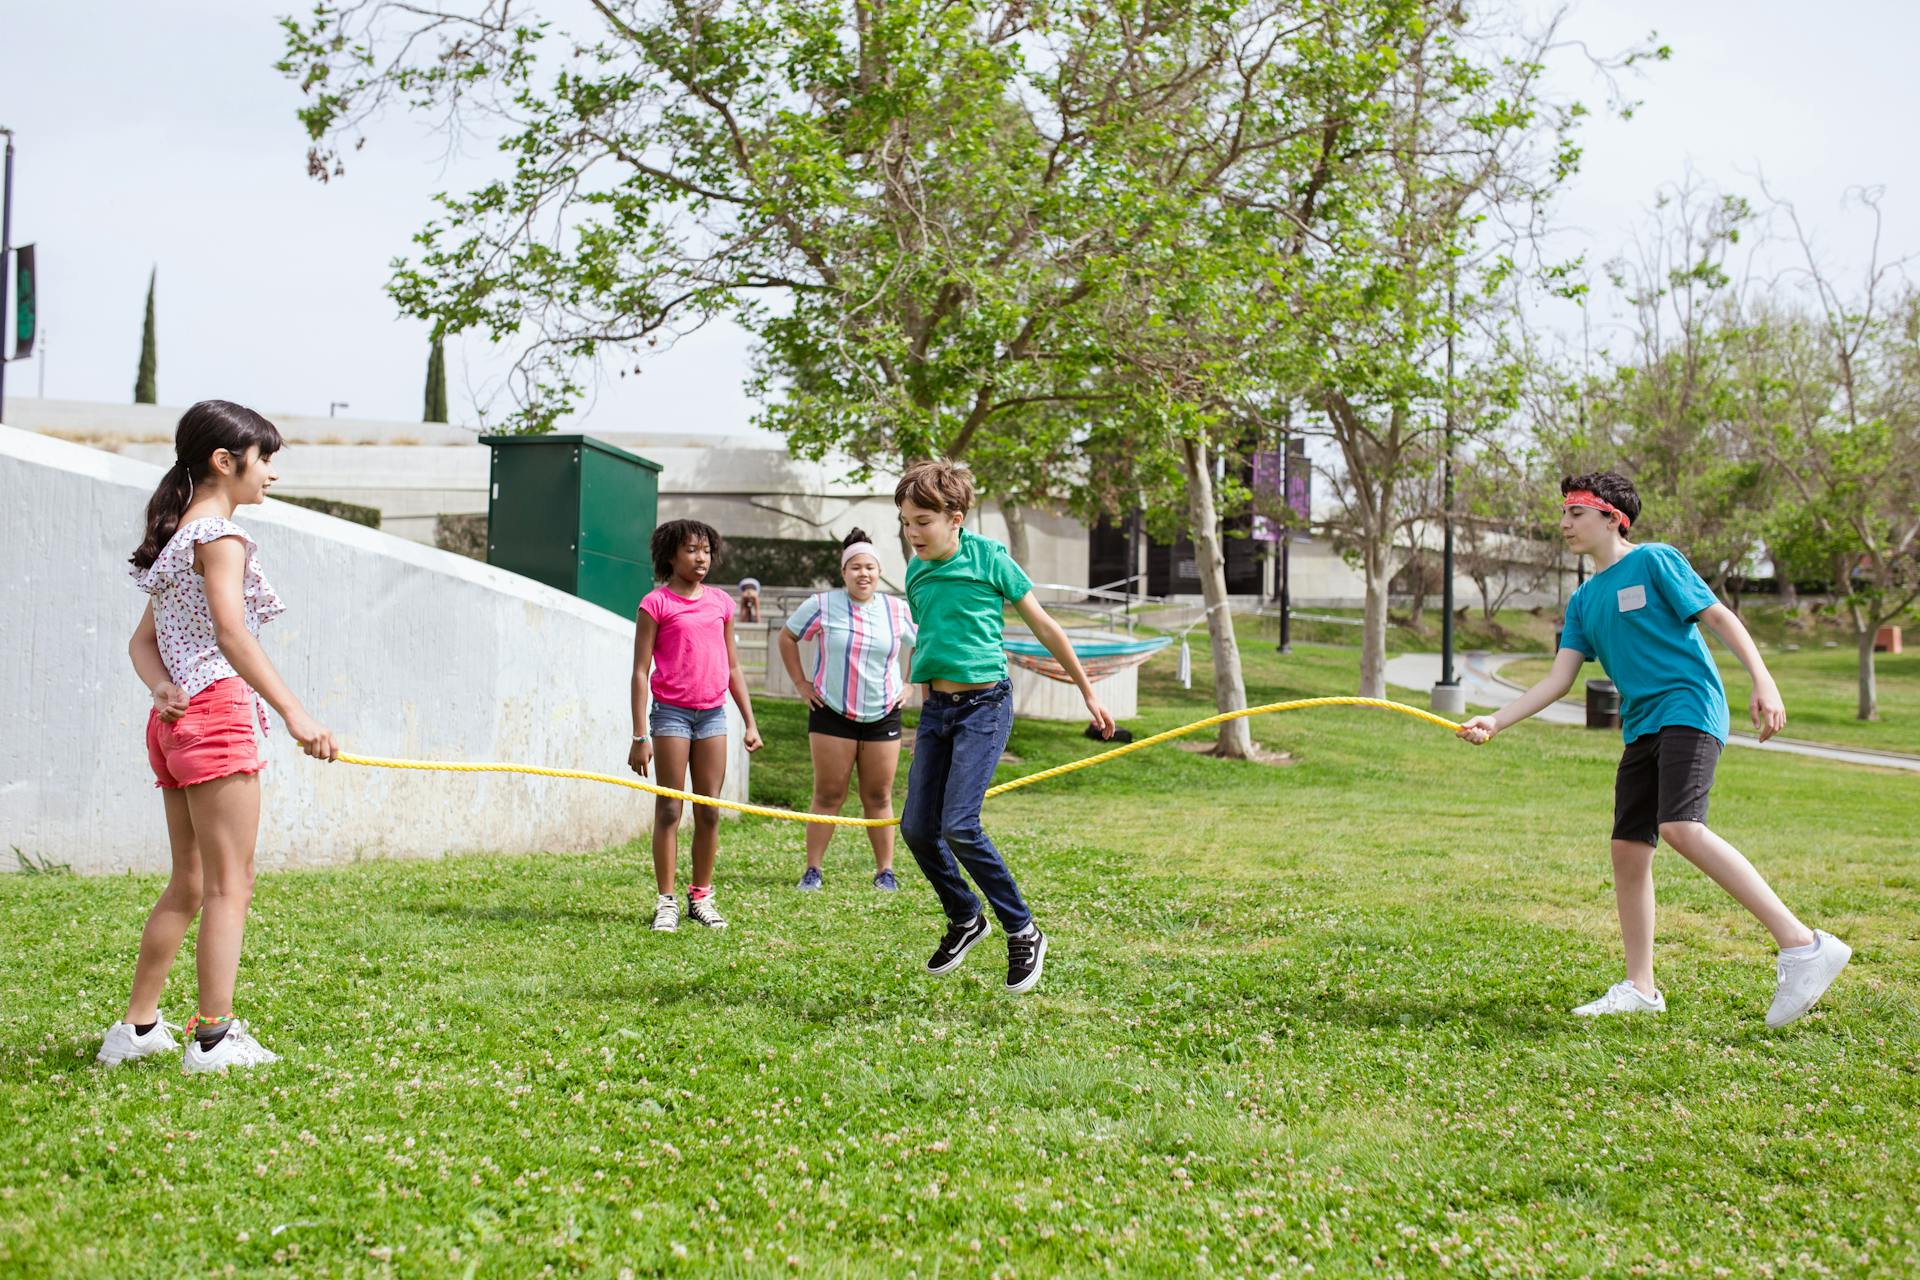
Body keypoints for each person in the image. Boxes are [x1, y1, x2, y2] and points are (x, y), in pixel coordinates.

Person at [1458, 472, 1851, 1027]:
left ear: (1612, 518)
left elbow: (1718, 616)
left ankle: (1803, 944)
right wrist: (1495, 720)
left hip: (1689, 706)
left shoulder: (1657, 560)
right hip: (1641, 725)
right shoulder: (1584, 601)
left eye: (1576, 513)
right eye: (1564, 514)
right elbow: (1558, 681)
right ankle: (1641, 987)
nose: (1564, 524)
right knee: (1627, 848)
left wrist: (1764, 681)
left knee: (1681, 827)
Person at [99, 400, 338, 1074]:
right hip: (217, 715)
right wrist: (296, 714)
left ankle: (138, 1028)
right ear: (224, 461)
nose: (273, 475)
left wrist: (161, 688)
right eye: (266, 460)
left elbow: (142, 645)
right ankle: (212, 1037)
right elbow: (231, 633)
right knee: (231, 885)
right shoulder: (221, 539)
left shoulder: (180, 536)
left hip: (175, 723)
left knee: (191, 882)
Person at [894, 461, 1116, 994]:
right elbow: (936, 636)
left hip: (984, 707)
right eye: (905, 523)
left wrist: (1086, 688)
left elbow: (1044, 624)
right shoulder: (916, 571)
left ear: (955, 517)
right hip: (936, 711)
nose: (912, 533)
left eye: (922, 521)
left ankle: (1023, 929)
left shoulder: (991, 559)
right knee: (917, 828)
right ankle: (966, 916)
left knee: (959, 825)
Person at [628, 519, 762, 932]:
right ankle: (666, 900)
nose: (700, 558)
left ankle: (700, 896)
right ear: (670, 556)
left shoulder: (721, 603)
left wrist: (750, 722)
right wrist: (639, 736)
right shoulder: (656, 604)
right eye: (690, 550)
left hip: (713, 716)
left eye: (705, 550)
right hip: (670, 715)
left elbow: (733, 666)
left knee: (710, 810)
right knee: (670, 808)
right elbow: (639, 671)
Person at [777, 528, 916, 892]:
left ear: (879, 570)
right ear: (844, 572)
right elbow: (787, 637)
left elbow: (926, 641)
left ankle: (885, 871)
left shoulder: (896, 609)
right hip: (831, 712)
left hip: (883, 713)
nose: (863, 574)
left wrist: (911, 683)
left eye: (870, 567)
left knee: (879, 796)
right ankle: (813, 870)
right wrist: (801, 683)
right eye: (855, 567)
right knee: (828, 794)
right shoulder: (822, 604)